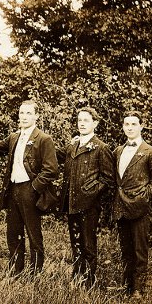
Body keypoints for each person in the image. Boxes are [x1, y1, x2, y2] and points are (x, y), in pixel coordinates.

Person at [0, 100, 58, 277]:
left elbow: (51, 169)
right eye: (22, 113)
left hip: (30, 190)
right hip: (13, 190)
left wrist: (34, 188)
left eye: (28, 113)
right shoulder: (14, 137)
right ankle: (16, 270)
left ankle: (35, 273)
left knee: (33, 234)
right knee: (13, 232)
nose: (24, 117)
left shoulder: (44, 139)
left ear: (36, 116)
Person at [113, 110, 152, 298]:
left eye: (133, 124)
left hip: (139, 208)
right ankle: (127, 286)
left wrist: (143, 196)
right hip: (121, 208)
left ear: (141, 126)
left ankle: (138, 289)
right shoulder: (118, 151)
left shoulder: (150, 152)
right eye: (126, 124)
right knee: (126, 248)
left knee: (139, 249)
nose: (129, 128)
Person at [58, 107, 114, 287]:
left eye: (86, 120)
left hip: (89, 205)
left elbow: (107, 178)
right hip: (72, 203)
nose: (82, 123)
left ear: (95, 124)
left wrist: (90, 193)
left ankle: (89, 281)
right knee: (75, 241)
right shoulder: (72, 146)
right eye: (79, 120)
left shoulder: (101, 148)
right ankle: (77, 275)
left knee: (88, 243)